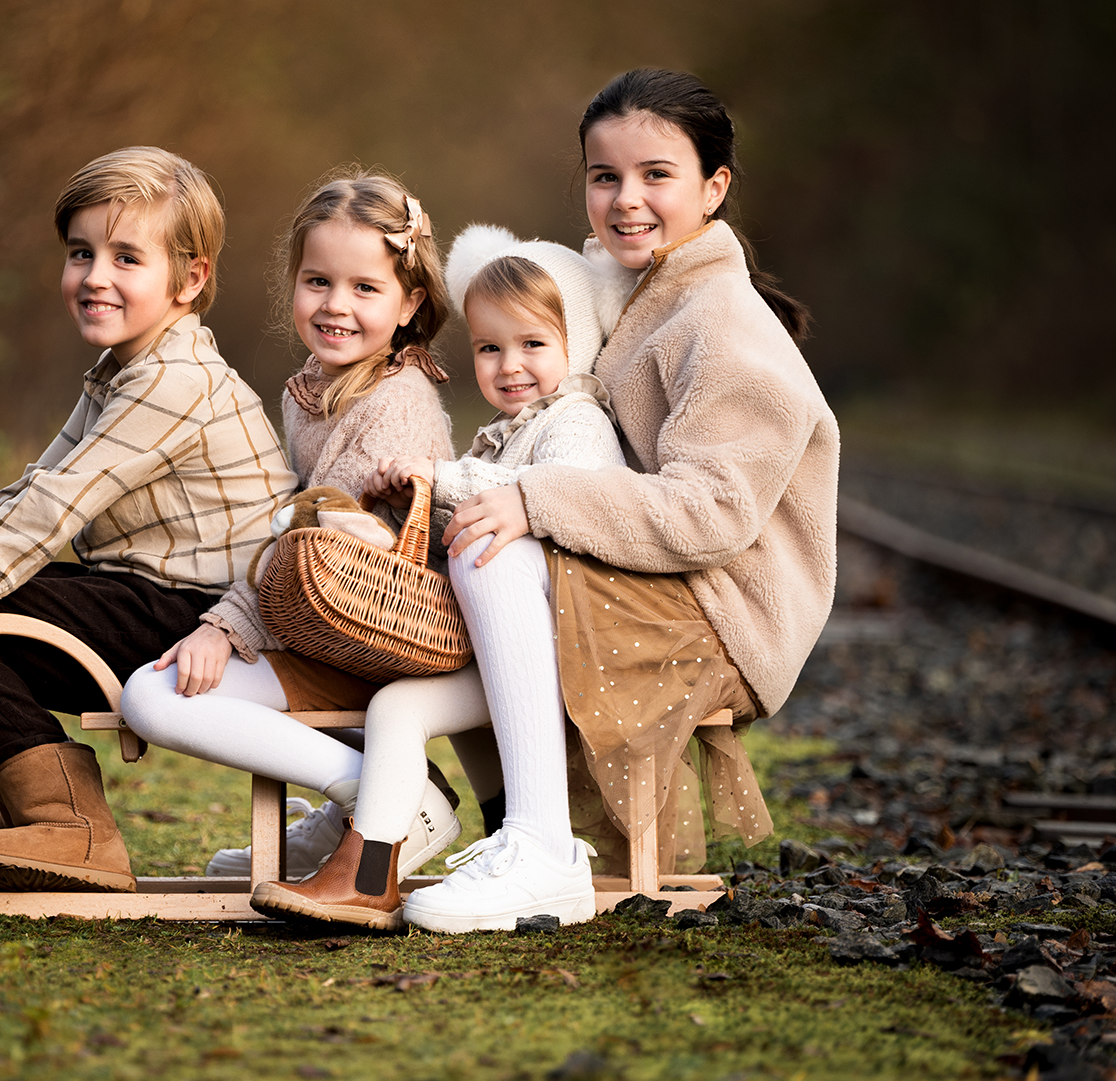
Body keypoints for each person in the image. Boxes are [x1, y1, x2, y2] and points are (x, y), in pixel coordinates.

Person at [402, 67, 839, 934]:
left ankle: (538, 845)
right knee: (461, 550)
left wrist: (535, 498)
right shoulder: (630, 290)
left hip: (724, 609)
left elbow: (712, 513)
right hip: (666, 577)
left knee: (495, 541)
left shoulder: (723, 322)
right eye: (605, 176)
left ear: (713, 188)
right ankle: (454, 820)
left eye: (656, 175)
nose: (626, 199)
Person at [0, 147, 298, 894]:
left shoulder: (174, 380)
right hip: (152, 601)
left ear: (190, 278)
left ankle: (71, 822)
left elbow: (52, 513)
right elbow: (31, 491)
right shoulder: (126, 368)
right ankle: (51, 808)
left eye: (127, 257)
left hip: (206, 624)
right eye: (81, 253)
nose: (95, 276)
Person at [120, 170, 501, 902]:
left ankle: (381, 800)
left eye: (365, 288)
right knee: (159, 686)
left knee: (152, 695)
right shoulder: (314, 389)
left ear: (410, 301)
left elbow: (318, 546)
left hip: (373, 636)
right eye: (317, 280)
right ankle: (357, 806)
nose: (335, 306)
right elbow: (285, 529)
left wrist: (225, 625)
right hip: (325, 627)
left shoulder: (394, 399)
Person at [247, 225, 628, 929]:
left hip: (549, 641)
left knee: (401, 707)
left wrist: (443, 479)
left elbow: (562, 489)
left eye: (532, 344)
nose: (508, 365)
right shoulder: (505, 428)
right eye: (489, 348)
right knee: (398, 704)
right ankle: (458, 851)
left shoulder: (576, 420)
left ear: (576, 343)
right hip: (506, 640)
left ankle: (397, 867)